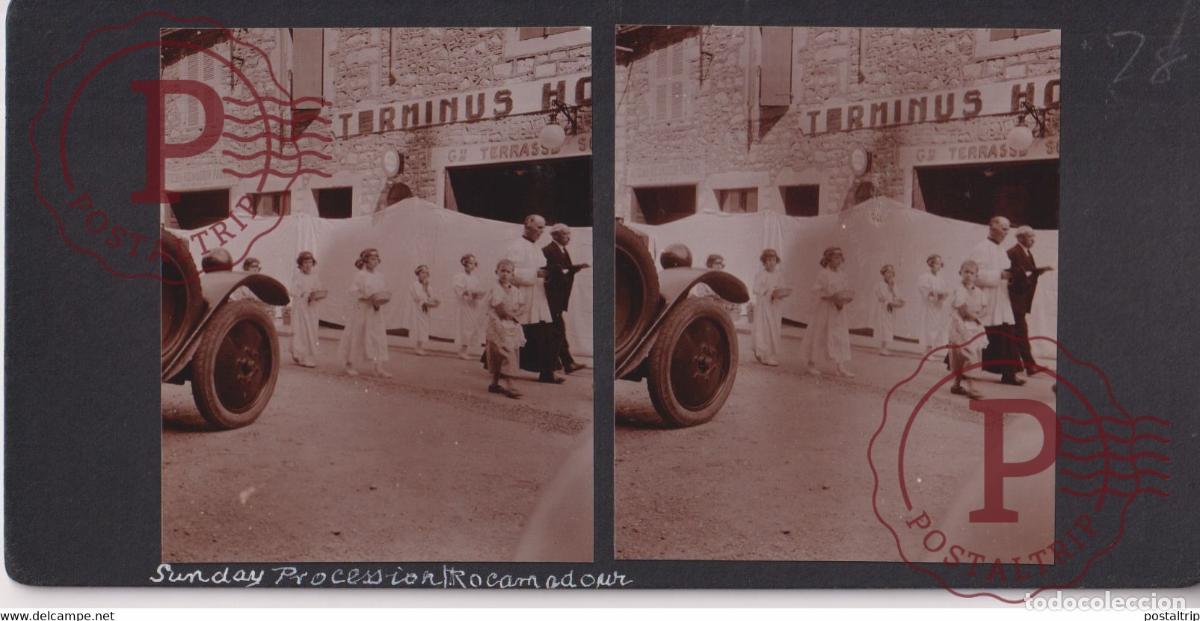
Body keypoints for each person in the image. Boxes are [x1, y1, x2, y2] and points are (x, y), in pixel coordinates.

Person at [505, 214, 563, 384]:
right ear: (527, 225)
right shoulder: (516, 247)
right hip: (523, 296)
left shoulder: (537, 247)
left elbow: (542, 267)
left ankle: (546, 372)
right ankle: (501, 366)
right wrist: (534, 273)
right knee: (517, 333)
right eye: (539, 227)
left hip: (538, 296)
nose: (541, 231)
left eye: (543, 228)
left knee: (545, 333)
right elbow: (509, 273)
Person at [968, 216, 1024, 386]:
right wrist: (999, 275)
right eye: (1004, 229)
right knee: (977, 335)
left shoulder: (1000, 249)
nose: (1007, 233)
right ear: (992, 227)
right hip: (986, 299)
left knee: (1006, 333)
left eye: (1008, 229)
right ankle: (962, 367)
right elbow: (974, 276)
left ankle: (1009, 374)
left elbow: (1006, 271)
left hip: (1001, 299)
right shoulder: (980, 248)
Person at [798, 247, 855, 377]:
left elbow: (845, 289)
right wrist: (829, 296)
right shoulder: (823, 274)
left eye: (840, 258)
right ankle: (811, 364)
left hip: (838, 309)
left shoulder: (842, 274)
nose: (838, 260)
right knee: (819, 333)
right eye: (835, 258)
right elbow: (816, 290)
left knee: (839, 335)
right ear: (828, 259)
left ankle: (840, 366)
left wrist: (842, 300)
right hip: (825, 308)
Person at [338, 248, 392, 378]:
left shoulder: (380, 276)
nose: (375, 261)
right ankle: (349, 364)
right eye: (372, 259)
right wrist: (367, 298)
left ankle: (378, 367)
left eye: (376, 259)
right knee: (357, 335)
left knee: (378, 336)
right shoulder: (360, 275)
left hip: (375, 310)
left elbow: (382, 291)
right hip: (362, 309)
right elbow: (353, 292)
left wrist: (379, 300)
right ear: (365, 260)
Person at [542, 223, 589, 374]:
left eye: (569, 234)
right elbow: (552, 271)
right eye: (565, 234)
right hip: (551, 299)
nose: (568, 237)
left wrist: (575, 268)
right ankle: (564, 362)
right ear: (555, 235)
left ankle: (563, 362)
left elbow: (564, 269)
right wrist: (570, 269)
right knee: (557, 330)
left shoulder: (562, 250)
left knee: (557, 330)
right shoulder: (548, 250)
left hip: (559, 298)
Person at [1007, 226, 1054, 375]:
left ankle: (1026, 365)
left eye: (1034, 237)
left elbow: (1027, 272)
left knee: (1019, 332)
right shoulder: (1013, 252)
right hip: (1014, 300)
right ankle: (1027, 365)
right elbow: (1013, 274)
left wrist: (1038, 271)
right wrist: (1034, 272)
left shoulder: (1027, 253)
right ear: (1020, 237)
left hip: (1022, 299)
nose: (1033, 240)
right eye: (1030, 237)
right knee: (1020, 332)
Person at [486, 259, 526, 399]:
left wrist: (516, 315)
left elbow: (522, 306)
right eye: (502, 270)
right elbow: (498, 308)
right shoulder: (494, 289)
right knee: (503, 352)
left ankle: (495, 383)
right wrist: (508, 315)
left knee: (507, 351)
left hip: (510, 325)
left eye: (508, 271)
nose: (505, 274)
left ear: (512, 274)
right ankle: (510, 384)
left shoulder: (515, 291)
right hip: (497, 324)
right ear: (496, 272)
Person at [949, 260, 987, 399]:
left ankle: (956, 385)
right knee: (965, 354)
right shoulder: (959, 290)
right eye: (966, 272)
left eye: (972, 273)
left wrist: (979, 317)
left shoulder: (979, 292)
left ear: (976, 275)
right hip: (960, 326)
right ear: (960, 272)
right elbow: (963, 311)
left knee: (971, 353)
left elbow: (984, 308)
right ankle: (972, 386)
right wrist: (975, 317)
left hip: (973, 328)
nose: (968, 275)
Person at [752, 248, 788, 366]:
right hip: (764, 306)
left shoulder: (779, 275)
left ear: (776, 261)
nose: (771, 262)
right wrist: (767, 291)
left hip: (775, 306)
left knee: (774, 329)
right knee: (764, 329)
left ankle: (769, 354)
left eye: (773, 260)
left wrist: (779, 293)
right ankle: (764, 355)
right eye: (768, 260)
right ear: (764, 262)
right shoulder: (761, 274)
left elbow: (782, 288)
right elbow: (756, 289)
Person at [290, 251, 324, 368]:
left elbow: (319, 289)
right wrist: (303, 294)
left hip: (312, 308)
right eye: (305, 262)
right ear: (300, 264)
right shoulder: (298, 276)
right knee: (301, 331)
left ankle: (306, 355)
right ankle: (301, 356)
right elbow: (293, 291)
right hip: (301, 307)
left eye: (310, 262)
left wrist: (316, 295)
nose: (308, 265)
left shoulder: (315, 276)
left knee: (312, 331)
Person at [452, 254, 488, 360]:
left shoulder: (474, 278)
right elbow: (458, 289)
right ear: (464, 263)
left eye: (474, 263)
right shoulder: (459, 276)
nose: (472, 265)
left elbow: (478, 290)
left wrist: (478, 294)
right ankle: (462, 350)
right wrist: (468, 293)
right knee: (465, 327)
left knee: (472, 326)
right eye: (470, 263)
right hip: (465, 305)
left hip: (474, 305)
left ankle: (465, 349)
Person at [917, 254, 951, 353]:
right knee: (929, 326)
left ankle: (932, 348)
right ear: (931, 264)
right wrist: (935, 293)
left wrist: (944, 295)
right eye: (936, 263)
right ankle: (928, 349)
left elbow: (944, 290)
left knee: (936, 326)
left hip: (938, 306)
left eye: (940, 264)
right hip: (929, 306)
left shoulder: (940, 278)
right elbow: (924, 290)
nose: (938, 266)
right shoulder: (925, 277)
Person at [692, 254, 740, 322]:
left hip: (722, 314)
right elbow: (702, 298)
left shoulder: (723, 280)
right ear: (710, 264)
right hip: (709, 314)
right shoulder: (704, 280)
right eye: (717, 263)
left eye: (721, 264)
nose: (720, 266)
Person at [869, 264, 905, 356]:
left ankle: (885, 347)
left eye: (892, 272)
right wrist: (889, 300)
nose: (890, 274)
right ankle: (882, 347)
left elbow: (897, 296)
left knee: (889, 327)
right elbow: (881, 297)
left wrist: (893, 290)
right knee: (883, 327)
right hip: (882, 308)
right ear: (883, 273)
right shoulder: (879, 285)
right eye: (888, 272)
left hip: (891, 309)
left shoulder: (894, 285)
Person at [408, 264, 439, 356]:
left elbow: (430, 296)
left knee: (424, 327)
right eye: (422, 272)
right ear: (418, 273)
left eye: (426, 273)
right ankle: (418, 347)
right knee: (418, 326)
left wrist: (434, 301)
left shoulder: (428, 286)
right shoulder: (414, 285)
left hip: (425, 310)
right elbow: (418, 297)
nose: (424, 274)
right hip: (417, 309)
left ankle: (420, 346)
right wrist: (425, 289)